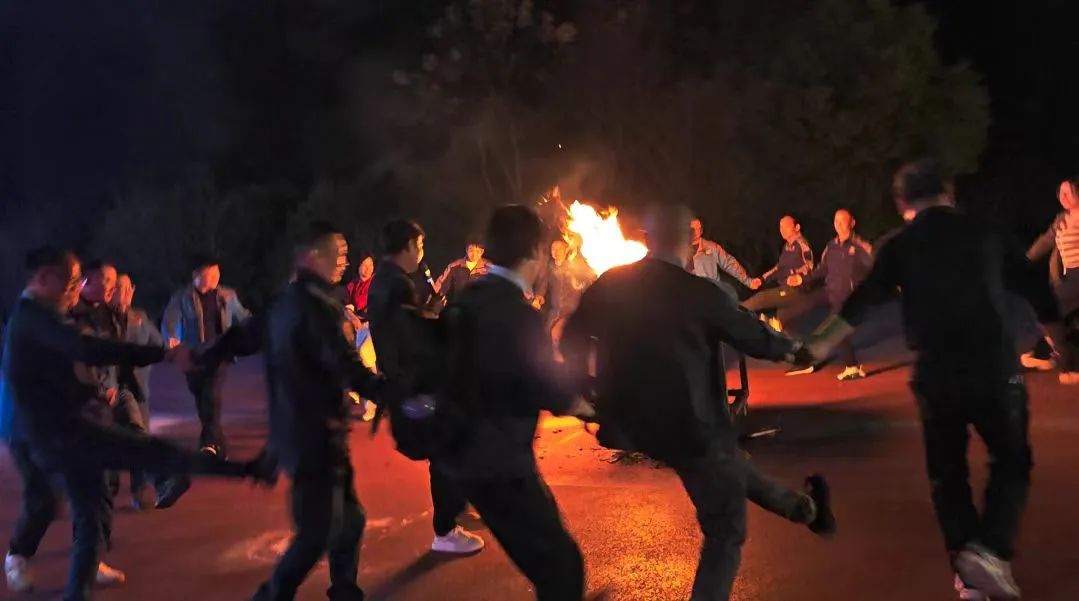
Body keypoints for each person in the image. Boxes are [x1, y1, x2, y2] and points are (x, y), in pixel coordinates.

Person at [806, 160, 1067, 601]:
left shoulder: (898, 245)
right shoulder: (985, 231)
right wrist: (1059, 344)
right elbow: (1033, 285)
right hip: (993, 367)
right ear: (949, 193)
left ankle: (968, 575)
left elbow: (861, 301)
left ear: (902, 203)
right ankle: (992, 550)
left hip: (936, 372)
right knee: (1011, 460)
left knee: (948, 474)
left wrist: (814, 346)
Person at [562, 204, 834, 601]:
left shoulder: (610, 284)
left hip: (635, 426)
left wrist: (589, 390)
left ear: (647, 240)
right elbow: (753, 335)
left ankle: (805, 510)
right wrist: (796, 350)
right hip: (692, 427)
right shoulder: (700, 292)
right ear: (690, 243)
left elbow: (570, 337)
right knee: (725, 531)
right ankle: (806, 513)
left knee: (729, 469)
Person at [0, 246, 270, 601]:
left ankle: (80, 584)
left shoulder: (68, 314)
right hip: (40, 433)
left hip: (73, 427)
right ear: (45, 279)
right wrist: (164, 354)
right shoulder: (34, 319)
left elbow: (95, 354)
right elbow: (87, 349)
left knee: (96, 505)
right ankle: (19, 556)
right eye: (73, 282)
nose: (77, 289)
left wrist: (165, 354)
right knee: (49, 499)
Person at [434, 205, 594, 601]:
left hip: (462, 455)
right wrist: (590, 405)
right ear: (535, 252)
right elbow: (547, 386)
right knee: (562, 567)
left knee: (548, 562)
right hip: (501, 464)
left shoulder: (469, 297)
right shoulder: (518, 314)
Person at [240, 222, 384, 601]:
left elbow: (241, 338)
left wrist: (205, 354)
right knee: (319, 531)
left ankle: (344, 589)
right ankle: (272, 596)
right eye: (339, 253)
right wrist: (389, 392)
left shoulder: (286, 303)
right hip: (313, 438)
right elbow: (346, 364)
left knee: (350, 520)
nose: (345, 261)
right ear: (311, 256)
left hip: (311, 434)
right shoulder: (315, 306)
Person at [366, 220, 484, 555]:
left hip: (407, 383)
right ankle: (445, 530)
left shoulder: (387, 281)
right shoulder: (396, 284)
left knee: (450, 447)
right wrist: (441, 321)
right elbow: (412, 338)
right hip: (415, 386)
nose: (420, 253)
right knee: (447, 450)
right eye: (418, 246)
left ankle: (456, 508)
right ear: (406, 246)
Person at [162, 255, 251, 458]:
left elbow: (243, 317)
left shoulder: (227, 296)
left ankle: (209, 444)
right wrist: (172, 339)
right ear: (196, 275)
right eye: (210, 274)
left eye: (217, 273)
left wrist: (258, 328)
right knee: (202, 398)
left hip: (219, 353)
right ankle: (217, 446)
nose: (215, 277)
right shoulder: (182, 298)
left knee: (211, 395)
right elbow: (170, 320)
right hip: (194, 356)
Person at [113, 273, 180, 509]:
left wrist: (171, 348)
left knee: (139, 435)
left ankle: (141, 489)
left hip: (137, 387)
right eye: (118, 288)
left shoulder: (139, 318)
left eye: (126, 288)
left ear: (132, 290)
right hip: (110, 388)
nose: (123, 293)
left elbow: (158, 343)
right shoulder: (100, 318)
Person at [784, 209, 874, 380]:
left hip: (848, 297)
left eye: (843, 221)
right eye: (836, 222)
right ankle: (786, 327)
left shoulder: (860, 247)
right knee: (801, 307)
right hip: (829, 290)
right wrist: (802, 278)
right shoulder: (831, 246)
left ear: (852, 223)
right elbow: (822, 269)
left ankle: (851, 367)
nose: (839, 225)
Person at [1021, 176, 1079, 384]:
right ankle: (1053, 354)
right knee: (1059, 319)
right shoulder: (1062, 219)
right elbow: (1046, 241)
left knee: (1049, 310)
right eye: (1060, 193)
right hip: (1067, 277)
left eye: (1068, 192)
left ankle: (1055, 358)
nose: (1063, 197)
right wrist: (1024, 260)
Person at [742, 215, 815, 330]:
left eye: (786, 226)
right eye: (781, 226)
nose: (782, 229)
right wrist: (762, 279)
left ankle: (736, 311)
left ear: (797, 227)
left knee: (761, 298)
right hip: (785, 290)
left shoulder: (802, 244)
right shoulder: (787, 247)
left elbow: (809, 265)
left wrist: (799, 276)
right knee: (780, 325)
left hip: (797, 290)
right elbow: (778, 268)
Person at [534, 239, 595, 349]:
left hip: (572, 313)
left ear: (566, 250)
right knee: (546, 340)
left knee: (570, 343)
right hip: (555, 312)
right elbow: (542, 286)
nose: (555, 251)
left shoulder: (575, 267)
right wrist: (538, 298)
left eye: (559, 248)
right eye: (553, 248)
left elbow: (588, 281)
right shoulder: (550, 267)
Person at [688, 217, 760, 301]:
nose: (696, 231)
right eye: (692, 229)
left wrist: (748, 281)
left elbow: (729, 263)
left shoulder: (711, 247)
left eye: (699, 228)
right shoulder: (680, 249)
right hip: (690, 295)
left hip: (710, 294)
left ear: (701, 230)